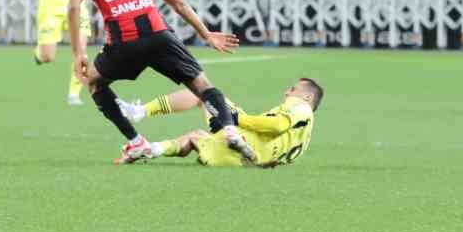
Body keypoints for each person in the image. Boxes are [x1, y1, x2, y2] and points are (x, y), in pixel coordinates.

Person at [66, 0, 243, 164]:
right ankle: (230, 131)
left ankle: (136, 142)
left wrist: (79, 53)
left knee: (94, 82)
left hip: (125, 43)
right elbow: (177, 2)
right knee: (202, 86)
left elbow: (74, 7)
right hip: (160, 36)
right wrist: (206, 34)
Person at [117, 78, 322, 168]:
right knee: (195, 136)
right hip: (238, 158)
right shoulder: (304, 138)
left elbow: (277, 125)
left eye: (293, 89)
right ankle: (151, 149)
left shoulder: (301, 107)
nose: (287, 92)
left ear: (307, 97)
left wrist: (237, 119)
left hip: (241, 142)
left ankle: (140, 111)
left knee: (200, 93)